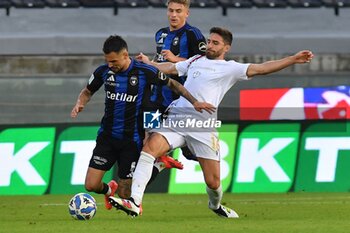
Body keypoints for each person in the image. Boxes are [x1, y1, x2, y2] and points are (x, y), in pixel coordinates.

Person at [109, 27, 314, 218]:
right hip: (177, 117)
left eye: (215, 43)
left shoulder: (230, 68)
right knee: (149, 148)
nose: (210, 45)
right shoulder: (196, 59)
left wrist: (293, 59)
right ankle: (135, 202)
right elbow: (171, 68)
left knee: (213, 182)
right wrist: (148, 64)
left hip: (203, 126)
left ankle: (215, 205)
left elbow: (262, 68)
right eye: (209, 41)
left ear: (226, 47)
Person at [70, 35, 214, 211]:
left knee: (125, 194)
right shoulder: (103, 72)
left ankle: (159, 165)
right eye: (107, 61)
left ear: (125, 55)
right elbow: (87, 91)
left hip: (132, 140)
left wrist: (194, 102)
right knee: (91, 185)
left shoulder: (145, 71)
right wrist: (80, 103)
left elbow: (173, 84)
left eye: (114, 61)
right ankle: (109, 189)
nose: (110, 65)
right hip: (107, 137)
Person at [146, 0, 207, 163]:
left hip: (180, 99)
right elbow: (159, 60)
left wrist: (176, 60)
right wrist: (149, 63)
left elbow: (204, 63)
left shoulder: (193, 34)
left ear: (187, 13)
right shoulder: (160, 34)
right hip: (156, 98)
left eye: (178, 11)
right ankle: (159, 163)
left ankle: (211, 163)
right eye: (171, 10)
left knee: (189, 151)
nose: (174, 15)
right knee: (147, 141)